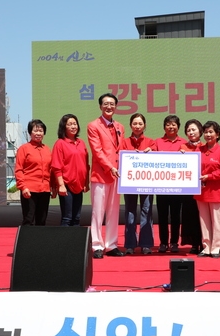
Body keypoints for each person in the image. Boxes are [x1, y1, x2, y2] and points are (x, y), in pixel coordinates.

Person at [87, 93, 126, 258]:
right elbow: (97, 151)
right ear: (100, 106)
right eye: (106, 104)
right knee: (98, 212)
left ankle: (111, 245)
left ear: (116, 106)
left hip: (117, 175)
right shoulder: (93, 126)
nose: (109, 107)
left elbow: (122, 150)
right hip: (101, 174)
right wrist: (110, 167)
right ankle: (97, 245)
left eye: (112, 104)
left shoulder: (120, 127)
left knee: (113, 211)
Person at [120, 113, 157, 255]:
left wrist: (151, 152)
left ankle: (146, 244)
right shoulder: (124, 142)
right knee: (129, 211)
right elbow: (119, 157)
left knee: (146, 210)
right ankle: (130, 244)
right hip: (129, 183)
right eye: (135, 123)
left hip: (147, 182)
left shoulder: (150, 142)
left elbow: (157, 160)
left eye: (140, 124)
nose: (137, 126)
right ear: (130, 125)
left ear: (144, 126)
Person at [195, 121, 220, 258]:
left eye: (211, 132)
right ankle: (206, 246)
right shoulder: (199, 150)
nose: (208, 135)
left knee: (217, 220)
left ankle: (216, 247)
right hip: (202, 192)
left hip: (217, 191)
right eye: (206, 132)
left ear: (218, 134)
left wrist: (209, 176)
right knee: (204, 221)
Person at [155, 115, 187, 253]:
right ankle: (163, 242)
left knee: (175, 215)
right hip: (161, 186)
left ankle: (174, 242)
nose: (171, 127)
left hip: (177, 187)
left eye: (174, 124)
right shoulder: (157, 142)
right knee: (162, 215)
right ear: (164, 127)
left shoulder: (184, 143)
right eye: (168, 124)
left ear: (178, 127)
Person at [51, 114, 90, 227]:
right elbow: (56, 166)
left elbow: (86, 165)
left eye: (75, 124)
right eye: (69, 124)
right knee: (67, 218)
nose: (73, 126)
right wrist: (61, 185)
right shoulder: (60, 143)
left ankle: (75, 244)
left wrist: (86, 183)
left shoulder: (81, 142)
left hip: (79, 185)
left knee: (77, 218)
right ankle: (64, 244)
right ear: (64, 127)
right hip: (66, 185)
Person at [14, 119, 54, 226]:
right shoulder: (24, 149)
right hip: (29, 190)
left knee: (42, 220)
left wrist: (53, 186)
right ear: (30, 132)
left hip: (45, 189)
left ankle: (40, 242)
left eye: (41, 131)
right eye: (35, 131)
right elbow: (19, 169)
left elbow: (50, 169)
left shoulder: (47, 149)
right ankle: (27, 242)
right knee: (28, 219)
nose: (38, 133)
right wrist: (23, 187)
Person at [180, 119, 204, 254]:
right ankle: (194, 243)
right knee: (191, 216)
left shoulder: (205, 147)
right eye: (188, 130)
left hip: (202, 187)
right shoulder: (182, 148)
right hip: (187, 189)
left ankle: (204, 242)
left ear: (200, 131)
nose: (191, 132)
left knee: (203, 216)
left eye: (193, 129)